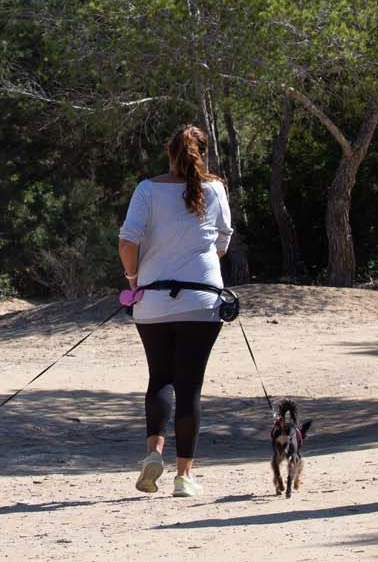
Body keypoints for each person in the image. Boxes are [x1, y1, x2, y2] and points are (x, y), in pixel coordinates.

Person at [117, 123, 234, 498]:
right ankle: (184, 476)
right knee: (190, 387)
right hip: (202, 301)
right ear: (203, 154)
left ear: (170, 153)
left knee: (160, 378)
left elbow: (127, 241)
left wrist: (134, 279)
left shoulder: (147, 189)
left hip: (152, 300)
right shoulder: (215, 190)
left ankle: (154, 453)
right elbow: (222, 243)